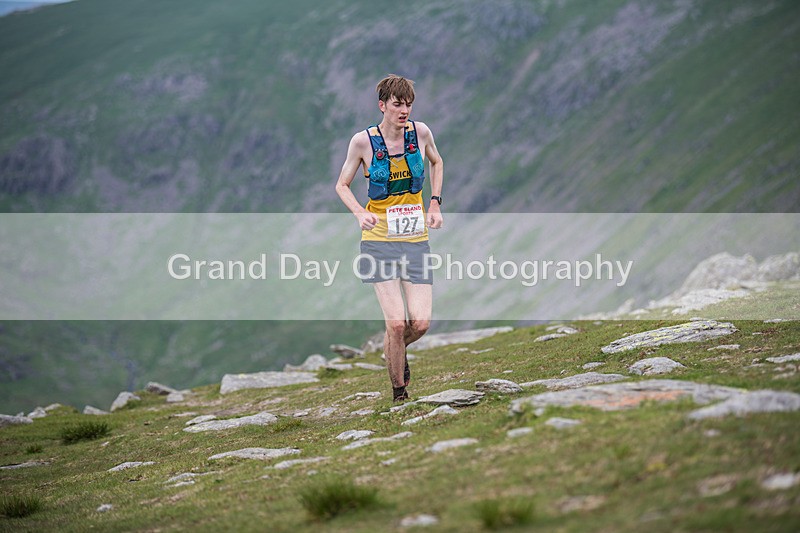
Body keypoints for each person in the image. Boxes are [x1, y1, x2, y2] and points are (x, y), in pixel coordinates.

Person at [335, 74, 444, 403]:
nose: (404, 110)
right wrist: (359, 212)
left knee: (420, 324)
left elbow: (437, 162)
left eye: (408, 104)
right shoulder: (362, 142)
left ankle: (393, 351)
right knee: (397, 323)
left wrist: (435, 203)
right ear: (382, 105)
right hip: (378, 240)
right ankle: (399, 393)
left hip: (414, 239)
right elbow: (342, 185)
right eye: (397, 104)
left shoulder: (421, 133)